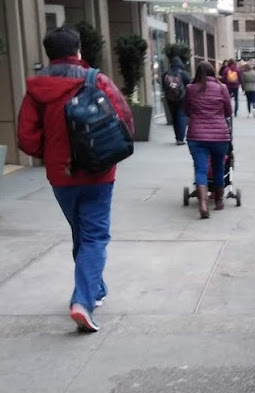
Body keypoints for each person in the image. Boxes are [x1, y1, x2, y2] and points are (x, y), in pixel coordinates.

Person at [17, 26, 134, 332]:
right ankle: (82, 300)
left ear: (49, 54)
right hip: (98, 173)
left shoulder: (36, 88)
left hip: (61, 176)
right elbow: (125, 120)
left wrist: (53, 150)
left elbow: (26, 140)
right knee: (94, 236)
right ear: (78, 50)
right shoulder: (96, 79)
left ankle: (95, 289)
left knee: (82, 233)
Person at [184, 60, 232, 219]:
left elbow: (186, 110)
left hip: (196, 136)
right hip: (220, 136)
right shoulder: (222, 88)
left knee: (201, 169)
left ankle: (203, 205)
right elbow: (228, 111)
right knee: (219, 166)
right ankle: (218, 200)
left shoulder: (191, 89)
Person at [162, 56, 192, 145]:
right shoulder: (184, 73)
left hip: (170, 98)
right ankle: (180, 138)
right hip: (181, 97)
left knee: (174, 117)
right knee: (181, 116)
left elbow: (164, 85)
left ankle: (177, 136)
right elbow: (189, 84)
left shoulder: (166, 73)